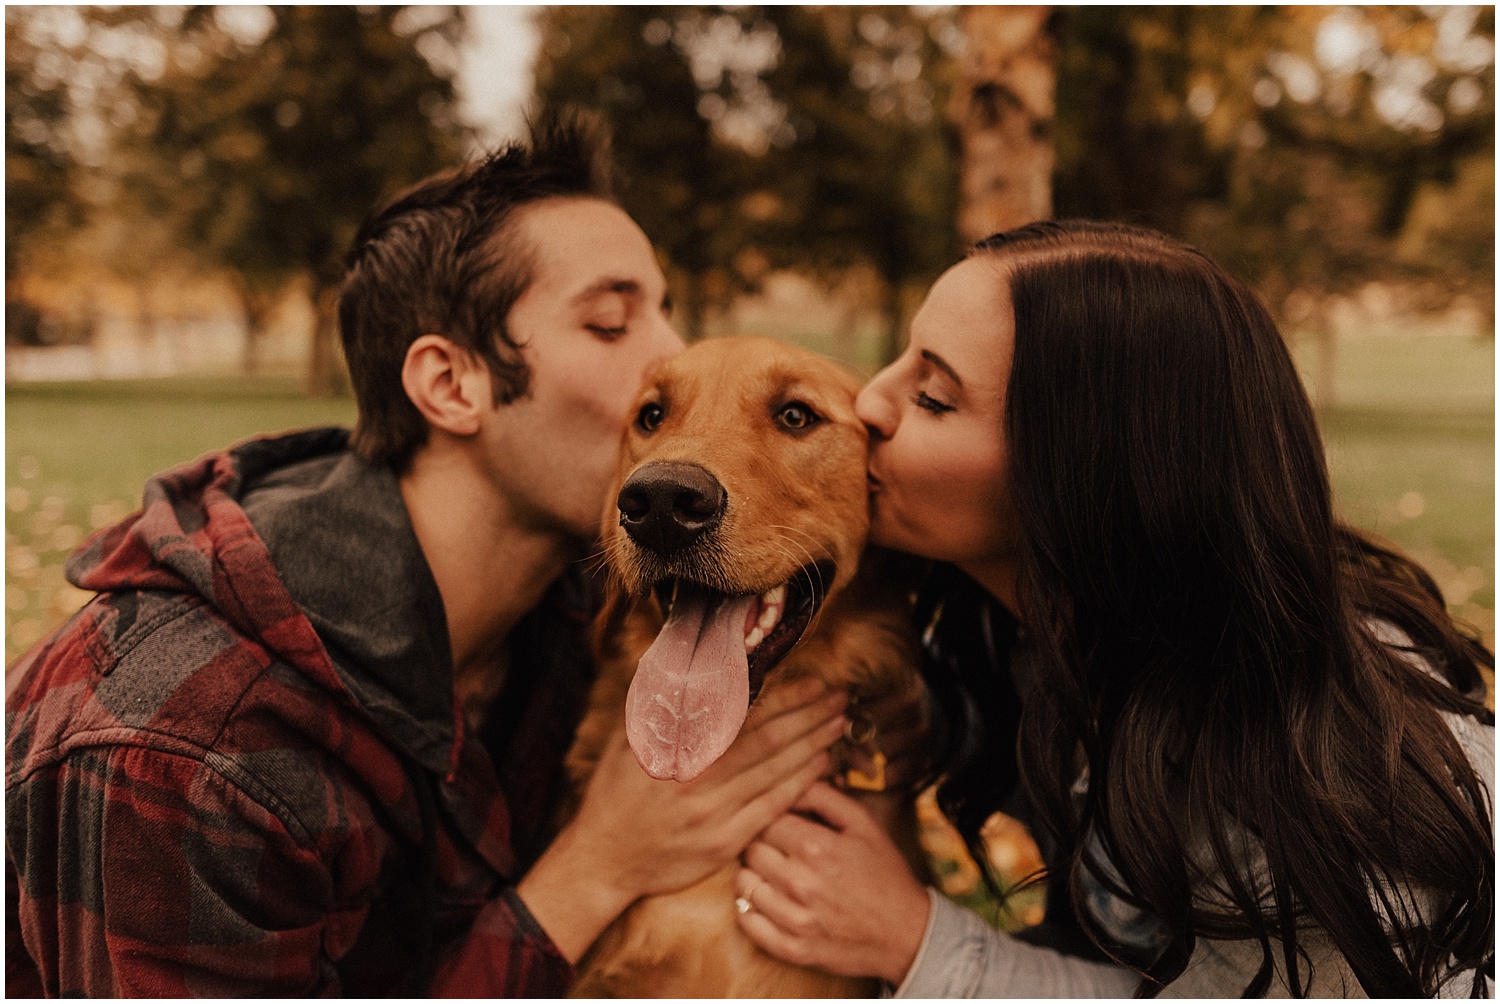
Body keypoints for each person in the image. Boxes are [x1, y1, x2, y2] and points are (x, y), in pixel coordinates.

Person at [5, 115, 851, 996]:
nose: (680, 360)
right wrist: (597, 868)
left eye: (666, 313)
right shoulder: (183, 751)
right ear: (452, 385)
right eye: (611, 323)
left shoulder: (574, 606)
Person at [733, 220, 1495, 997]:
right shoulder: (1039, 626)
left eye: (933, 397)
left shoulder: (1323, 785)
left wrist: (915, 939)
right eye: (901, 360)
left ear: (1080, 474)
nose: (869, 403)